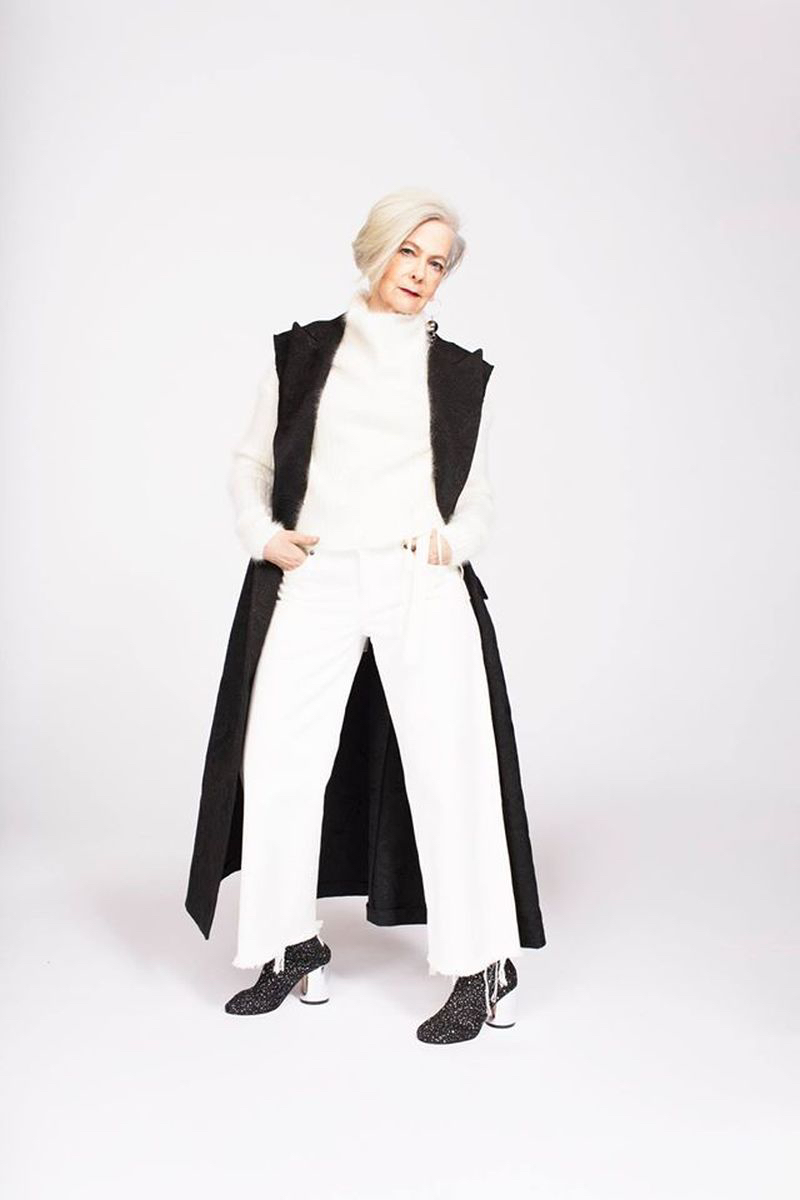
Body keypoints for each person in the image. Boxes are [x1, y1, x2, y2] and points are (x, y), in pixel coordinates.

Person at [192, 187, 546, 1043]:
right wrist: (263, 536)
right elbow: (248, 463)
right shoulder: (303, 356)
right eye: (409, 253)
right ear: (376, 250)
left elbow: (480, 497)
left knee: (449, 771)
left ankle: (479, 965)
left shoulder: (455, 374)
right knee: (278, 763)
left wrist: (454, 545)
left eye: (437, 263)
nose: (421, 273)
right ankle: (290, 945)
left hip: (416, 580)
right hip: (316, 577)